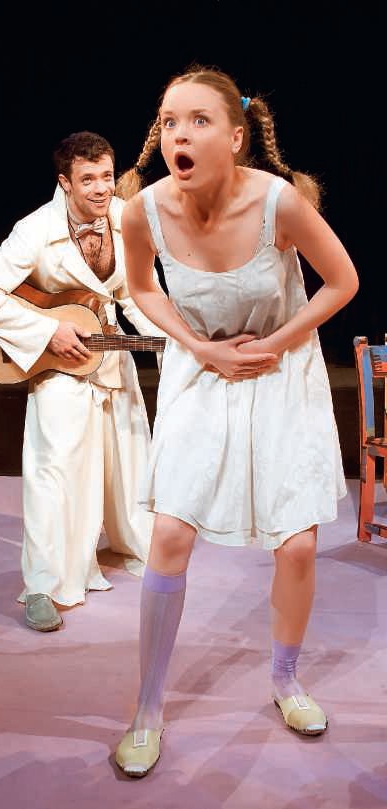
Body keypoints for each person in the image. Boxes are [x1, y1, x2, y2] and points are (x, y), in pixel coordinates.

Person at [113, 66, 359, 777]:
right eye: (169, 122)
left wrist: (277, 342)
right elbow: (141, 288)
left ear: (236, 136)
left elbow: (343, 281)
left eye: (198, 121)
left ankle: (285, 678)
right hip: (201, 364)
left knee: (298, 546)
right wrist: (197, 347)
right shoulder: (143, 210)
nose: (179, 136)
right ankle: (147, 709)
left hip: (281, 366)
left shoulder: (278, 202)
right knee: (169, 531)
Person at [0, 131, 165, 632]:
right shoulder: (35, 230)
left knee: (130, 461)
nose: (101, 188)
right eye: (88, 179)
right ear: (64, 182)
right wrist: (47, 330)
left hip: (110, 357)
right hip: (60, 363)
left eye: (107, 176)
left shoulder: (126, 219)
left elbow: (139, 294)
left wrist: (170, 341)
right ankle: (42, 586)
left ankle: (137, 546)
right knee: (53, 474)